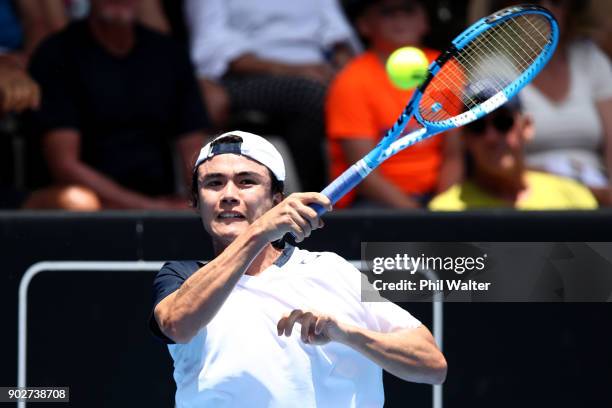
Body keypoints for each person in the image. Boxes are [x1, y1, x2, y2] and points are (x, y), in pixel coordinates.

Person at [149, 130, 447, 407]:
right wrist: (260, 231)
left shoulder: (332, 270)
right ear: (196, 201)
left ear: (276, 198)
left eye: (246, 181)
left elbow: (432, 367)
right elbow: (177, 324)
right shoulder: (182, 278)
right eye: (214, 183)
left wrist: (347, 333)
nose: (229, 194)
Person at [28, 0, 209, 210]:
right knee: (79, 201)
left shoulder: (169, 54)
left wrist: (198, 200)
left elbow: (194, 153)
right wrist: (150, 208)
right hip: (87, 208)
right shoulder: (57, 53)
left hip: (160, 200)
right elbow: (65, 166)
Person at [184, 0, 357, 192]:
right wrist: (292, 70)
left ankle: (360, 189)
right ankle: (315, 197)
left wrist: (348, 70)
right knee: (307, 94)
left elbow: (337, 32)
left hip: (319, 73)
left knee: (358, 88)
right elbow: (211, 43)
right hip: (244, 77)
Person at [325, 0, 462, 209]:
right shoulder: (350, 80)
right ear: (364, 25)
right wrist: (419, 219)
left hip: (436, 198)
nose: (399, 19)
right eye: (387, 12)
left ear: (424, 21)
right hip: (372, 202)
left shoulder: (448, 70)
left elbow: (454, 155)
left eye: (408, 9)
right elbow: (364, 175)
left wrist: (441, 210)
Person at [490, 0, 612, 205]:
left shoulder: (592, 59)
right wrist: (566, 182)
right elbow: (490, 152)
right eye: (534, 2)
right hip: (527, 199)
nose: (546, 9)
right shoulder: (494, 69)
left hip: (599, 199)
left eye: (556, 1)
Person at [428, 87, 598, 210]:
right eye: (477, 126)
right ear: (464, 138)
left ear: (527, 127)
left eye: (503, 122)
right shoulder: (446, 212)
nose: (491, 137)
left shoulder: (573, 196)